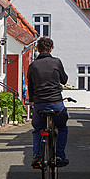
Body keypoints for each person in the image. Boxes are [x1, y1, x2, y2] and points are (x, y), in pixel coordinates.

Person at [27, 37, 69, 168]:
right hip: (56, 102)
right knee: (62, 128)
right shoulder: (56, 62)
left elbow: (30, 86)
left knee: (38, 129)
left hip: (39, 103)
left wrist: (32, 100)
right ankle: (59, 156)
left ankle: (37, 156)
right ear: (51, 49)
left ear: (38, 50)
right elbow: (64, 80)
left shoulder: (33, 65)